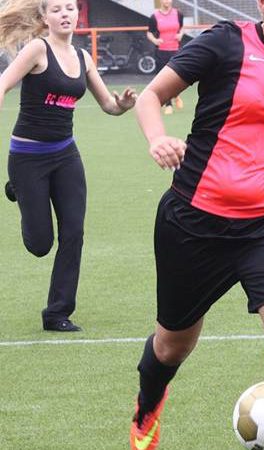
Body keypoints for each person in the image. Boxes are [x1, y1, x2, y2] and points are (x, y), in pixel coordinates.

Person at [129, 0, 264, 449]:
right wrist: (157, 138)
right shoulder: (225, 43)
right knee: (172, 346)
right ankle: (148, 405)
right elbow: (150, 97)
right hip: (193, 223)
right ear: (263, 4)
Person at [0, 0, 136, 332]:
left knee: (73, 233)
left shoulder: (83, 57)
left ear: (77, 14)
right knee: (40, 245)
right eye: (57, 9)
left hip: (65, 156)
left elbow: (108, 105)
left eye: (70, 8)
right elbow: (4, 83)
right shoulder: (37, 49)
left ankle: (57, 312)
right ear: (44, 17)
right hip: (28, 157)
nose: (65, 14)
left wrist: (123, 104)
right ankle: (19, 188)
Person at [146, 0, 184, 114]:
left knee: (177, 78)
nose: (167, 1)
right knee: (164, 80)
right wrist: (155, 40)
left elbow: (182, 28)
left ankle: (176, 95)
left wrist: (180, 34)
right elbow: (149, 33)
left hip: (176, 51)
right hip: (161, 52)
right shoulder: (154, 16)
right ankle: (168, 105)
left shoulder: (178, 14)